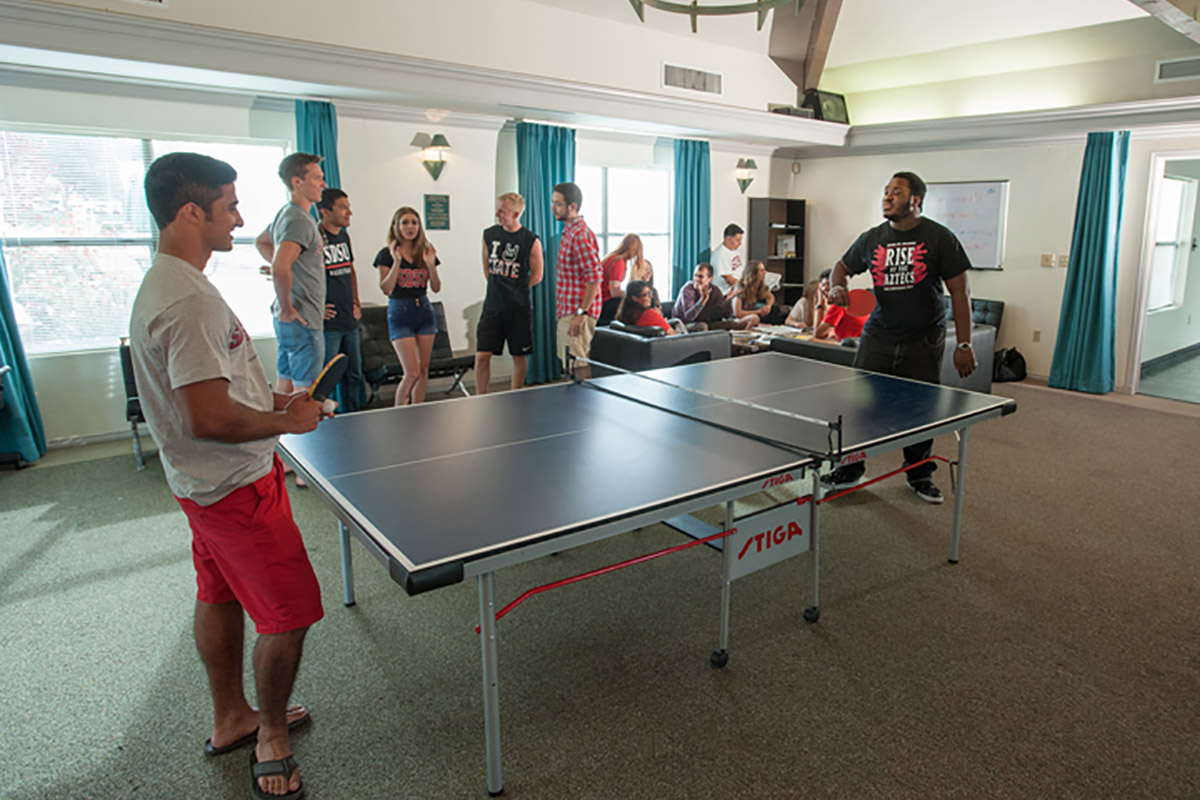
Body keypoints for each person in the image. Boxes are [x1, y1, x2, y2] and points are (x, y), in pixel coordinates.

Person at [131, 152, 327, 800]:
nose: (243, 219)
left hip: (201, 488)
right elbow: (208, 417)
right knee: (287, 617)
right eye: (231, 206)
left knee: (217, 596)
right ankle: (270, 735)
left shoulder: (171, 282)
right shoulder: (185, 300)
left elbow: (215, 391)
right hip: (235, 489)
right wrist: (289, 424)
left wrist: (275, 402)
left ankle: (231, 716)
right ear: (192, 212)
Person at [822, 171, 977, 504]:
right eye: (885, 192)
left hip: (923, 336)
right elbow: (841, 266)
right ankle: (851, 468)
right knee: (859, 404)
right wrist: (838, 286)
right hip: (879, 333)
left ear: (915, 200)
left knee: (920, 407)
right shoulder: (873, 237)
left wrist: (964, 344)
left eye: (896, 192)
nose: (887, 197)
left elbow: (961, 293)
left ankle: (919, 474)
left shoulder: (939, 238)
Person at [255, 152, 327, 397]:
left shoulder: (285, 213)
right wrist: (287, 307)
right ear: (297, 182)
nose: (323, 184)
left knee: (285, 391)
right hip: (302, 318)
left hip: (290, 321)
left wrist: (284, 264)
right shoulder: (300, 221)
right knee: (304, 397)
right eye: (317, 178)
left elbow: (262, 242)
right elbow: (278, 267)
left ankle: (280, 436)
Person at [475, 192, 543, 393]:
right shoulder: (489, 235)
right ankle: (480, 397)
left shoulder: (530, 240)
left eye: (502, 211)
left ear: (516, 213)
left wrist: (516, 290)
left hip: (517, 309)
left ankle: (516, 394)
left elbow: (537, 275)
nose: (497, 214)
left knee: (518, 356)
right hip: (492, 307)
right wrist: (500, 288)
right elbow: (487, 268)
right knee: (481, 356)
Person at [375, 206, 442, 405]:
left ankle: (417, 410)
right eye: (404, 222)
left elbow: (436, 287)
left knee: (423, 369)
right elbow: (386, 288)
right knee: (411, 372)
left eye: (414, 222)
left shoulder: (425, 251)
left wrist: (430, 264)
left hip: (424, 310)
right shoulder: (385, 254)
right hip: (400, 312)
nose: (410, 227)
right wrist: (397, 262)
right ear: (396, 226)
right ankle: (399, 412)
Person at [317, 188, 363, 412]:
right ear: (325, 211)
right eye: (342, 208)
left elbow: (350, 269)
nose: (349, 212)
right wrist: (316, 307)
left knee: (353, 375)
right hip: (329, 324)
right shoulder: (314, 237)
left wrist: (356, 301)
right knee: (327, 379)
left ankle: (352, 416)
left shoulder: (344, 236)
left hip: (349, 319)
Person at [552, 181, 602, 378]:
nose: (553, 207)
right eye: (553, 202)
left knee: (577, 364)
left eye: (558, 203)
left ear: (572, 206)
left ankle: (583, 406)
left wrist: (582, 313)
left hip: (577, 312)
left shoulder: (580, 235)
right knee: (569, 364)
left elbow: (595, 276)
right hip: (568, 309)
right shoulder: (569, 231)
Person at [597, 234, 644, 325]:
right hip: (606, 302)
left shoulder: (611, 258)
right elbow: (614, 291)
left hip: (599, 301)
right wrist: (633, 296)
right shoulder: (619, 262)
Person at [671, 263, 725, 332]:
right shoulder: (687, 289)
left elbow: (725, 315)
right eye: (695, 275)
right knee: (702, 326)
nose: (696, 279)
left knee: (732, 324)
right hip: (682, 324)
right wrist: (702, 301)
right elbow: (688, 317)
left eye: (700, 276)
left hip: (705, 321)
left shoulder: (715, 290)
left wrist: (727, 301)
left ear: (710, 279)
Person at [732, 260, 776, 327]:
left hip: (753, 316)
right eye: (762, 271)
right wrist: (759, 311)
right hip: (738, 319)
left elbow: (771, 297)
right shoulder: (741, 287)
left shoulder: (760, 285)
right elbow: (738, 313)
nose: (765, 272)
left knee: (774, 310)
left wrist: (768, 306)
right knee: (754, 318)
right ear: (753, 274)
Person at [711, 223, 745, 300]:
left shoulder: (733, 250)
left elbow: (739, 270)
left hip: (737, 289)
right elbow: (729, 280)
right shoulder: (720, 254)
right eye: (738, 240)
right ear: (728, 239)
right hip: (727, 293)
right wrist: (747, 287)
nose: (740, 243)